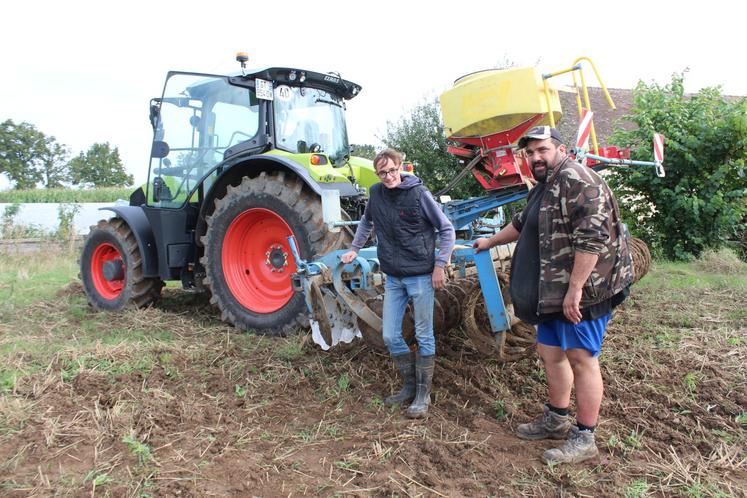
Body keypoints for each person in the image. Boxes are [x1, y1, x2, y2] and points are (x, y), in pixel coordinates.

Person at [473, 126, 633, 464]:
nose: (535, 158)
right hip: (552, 290)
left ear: (559, 149)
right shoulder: (544, 185)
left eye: (541, 150)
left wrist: (575, 290)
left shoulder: (579, 181)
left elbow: (592, 241)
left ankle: (585, 436)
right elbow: (521, 223)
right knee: (550, 352)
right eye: (529, 153)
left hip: (585, 291)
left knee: (581, 358)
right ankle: (557, 418)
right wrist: (488, 242)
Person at [341, 148, 455, 418]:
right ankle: (409, 385)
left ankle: (423, 395)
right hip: (394, 278)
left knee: (424, 335)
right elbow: (367, 222)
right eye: (383, 172)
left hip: (420, 276)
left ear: (401, 168)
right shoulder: (377, 195)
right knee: (391, 335)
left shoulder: (419, 194)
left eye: (393, 170)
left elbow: (446, 229)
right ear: (377, 174)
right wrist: (355, 248)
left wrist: (440, 264)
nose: (389, 176)